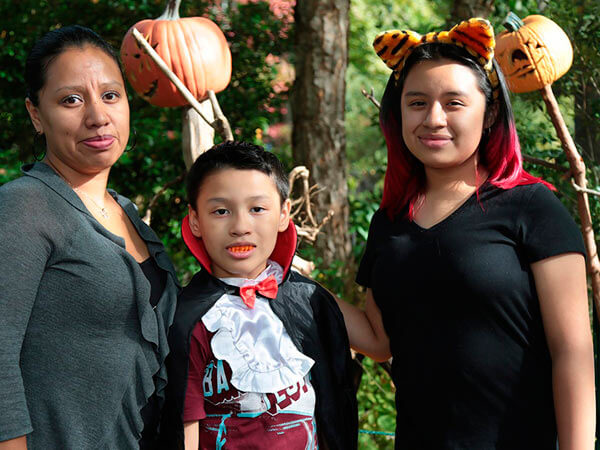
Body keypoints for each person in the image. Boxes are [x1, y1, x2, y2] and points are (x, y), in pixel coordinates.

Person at [336, 18, 595, 449]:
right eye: (416, 102)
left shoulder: (533, 207)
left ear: (490, 111)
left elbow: (572, 351)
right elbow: (380, 341)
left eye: (454, 102)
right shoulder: (390, 221)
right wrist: (284, 279)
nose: (433, 118)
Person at [0, 25, 178, 449]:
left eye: (111, 95)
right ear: (36, 114)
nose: (97, 116)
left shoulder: (128, 214)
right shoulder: (25, 206)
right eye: (71, 100)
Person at [157, 141, 357, 450]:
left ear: (283, 214)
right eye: (221, 211)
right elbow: (186, 429)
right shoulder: (188, 319)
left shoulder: (310, 302)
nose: (240, 226)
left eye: (257, 209)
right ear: (195, 220)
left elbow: (338, 398)